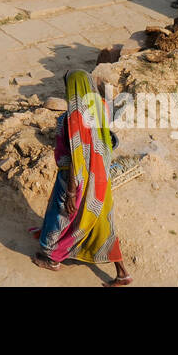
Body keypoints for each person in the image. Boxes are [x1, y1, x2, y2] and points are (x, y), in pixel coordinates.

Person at [31, 70, 133, 286]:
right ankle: (123, 273)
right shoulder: (102, 108)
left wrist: (70, 192)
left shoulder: (70, 119)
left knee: (61, 215)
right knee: (102, 223)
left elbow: (75, 157)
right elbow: (110, 141)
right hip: (99, 177)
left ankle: (52, 258)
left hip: (73, 179)